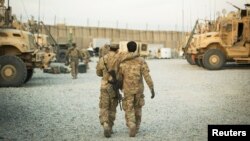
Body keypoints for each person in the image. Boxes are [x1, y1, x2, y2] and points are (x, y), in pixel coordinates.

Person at [96, 43, 138, 138]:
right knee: (112, 108)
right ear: (117, 49)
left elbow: (98, 73)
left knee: (104, 107)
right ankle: (110, 127)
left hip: (104, 86)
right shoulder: (119, 57)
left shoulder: (102, 59)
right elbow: (130, 55)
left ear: (110, 49)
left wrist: (105, 75)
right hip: (115, 86)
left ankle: (105, 124)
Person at [119, 41, 155, 137]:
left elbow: (119, 76)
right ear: (136, 48)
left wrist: (119, 87)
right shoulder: (141, 60)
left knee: (129, 108)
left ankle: (131, 124)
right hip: (139, 89)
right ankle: (137, 127)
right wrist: (151, 88)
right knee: (138, 108)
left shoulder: (123, 60)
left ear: (127, 48)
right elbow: (146, 75)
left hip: (127, 89)